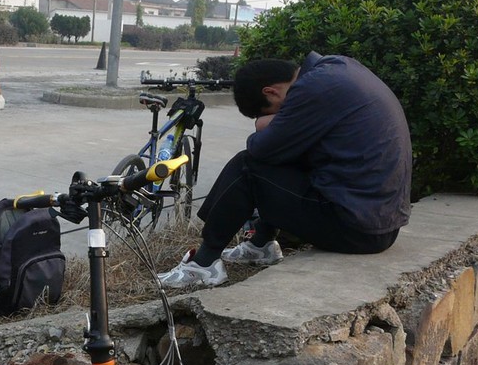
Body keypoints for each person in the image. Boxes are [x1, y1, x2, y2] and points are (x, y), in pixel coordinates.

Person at [158, 52, 412, 288]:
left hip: (357, 229)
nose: (281, 117)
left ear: (270, 91)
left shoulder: (313, 89)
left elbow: (261, 150)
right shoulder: (336, 68)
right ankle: (261, 244)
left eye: (275, 112)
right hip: (379, 224)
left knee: (248, 166)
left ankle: (204, 264)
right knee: (287, 154)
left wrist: (263, 125)